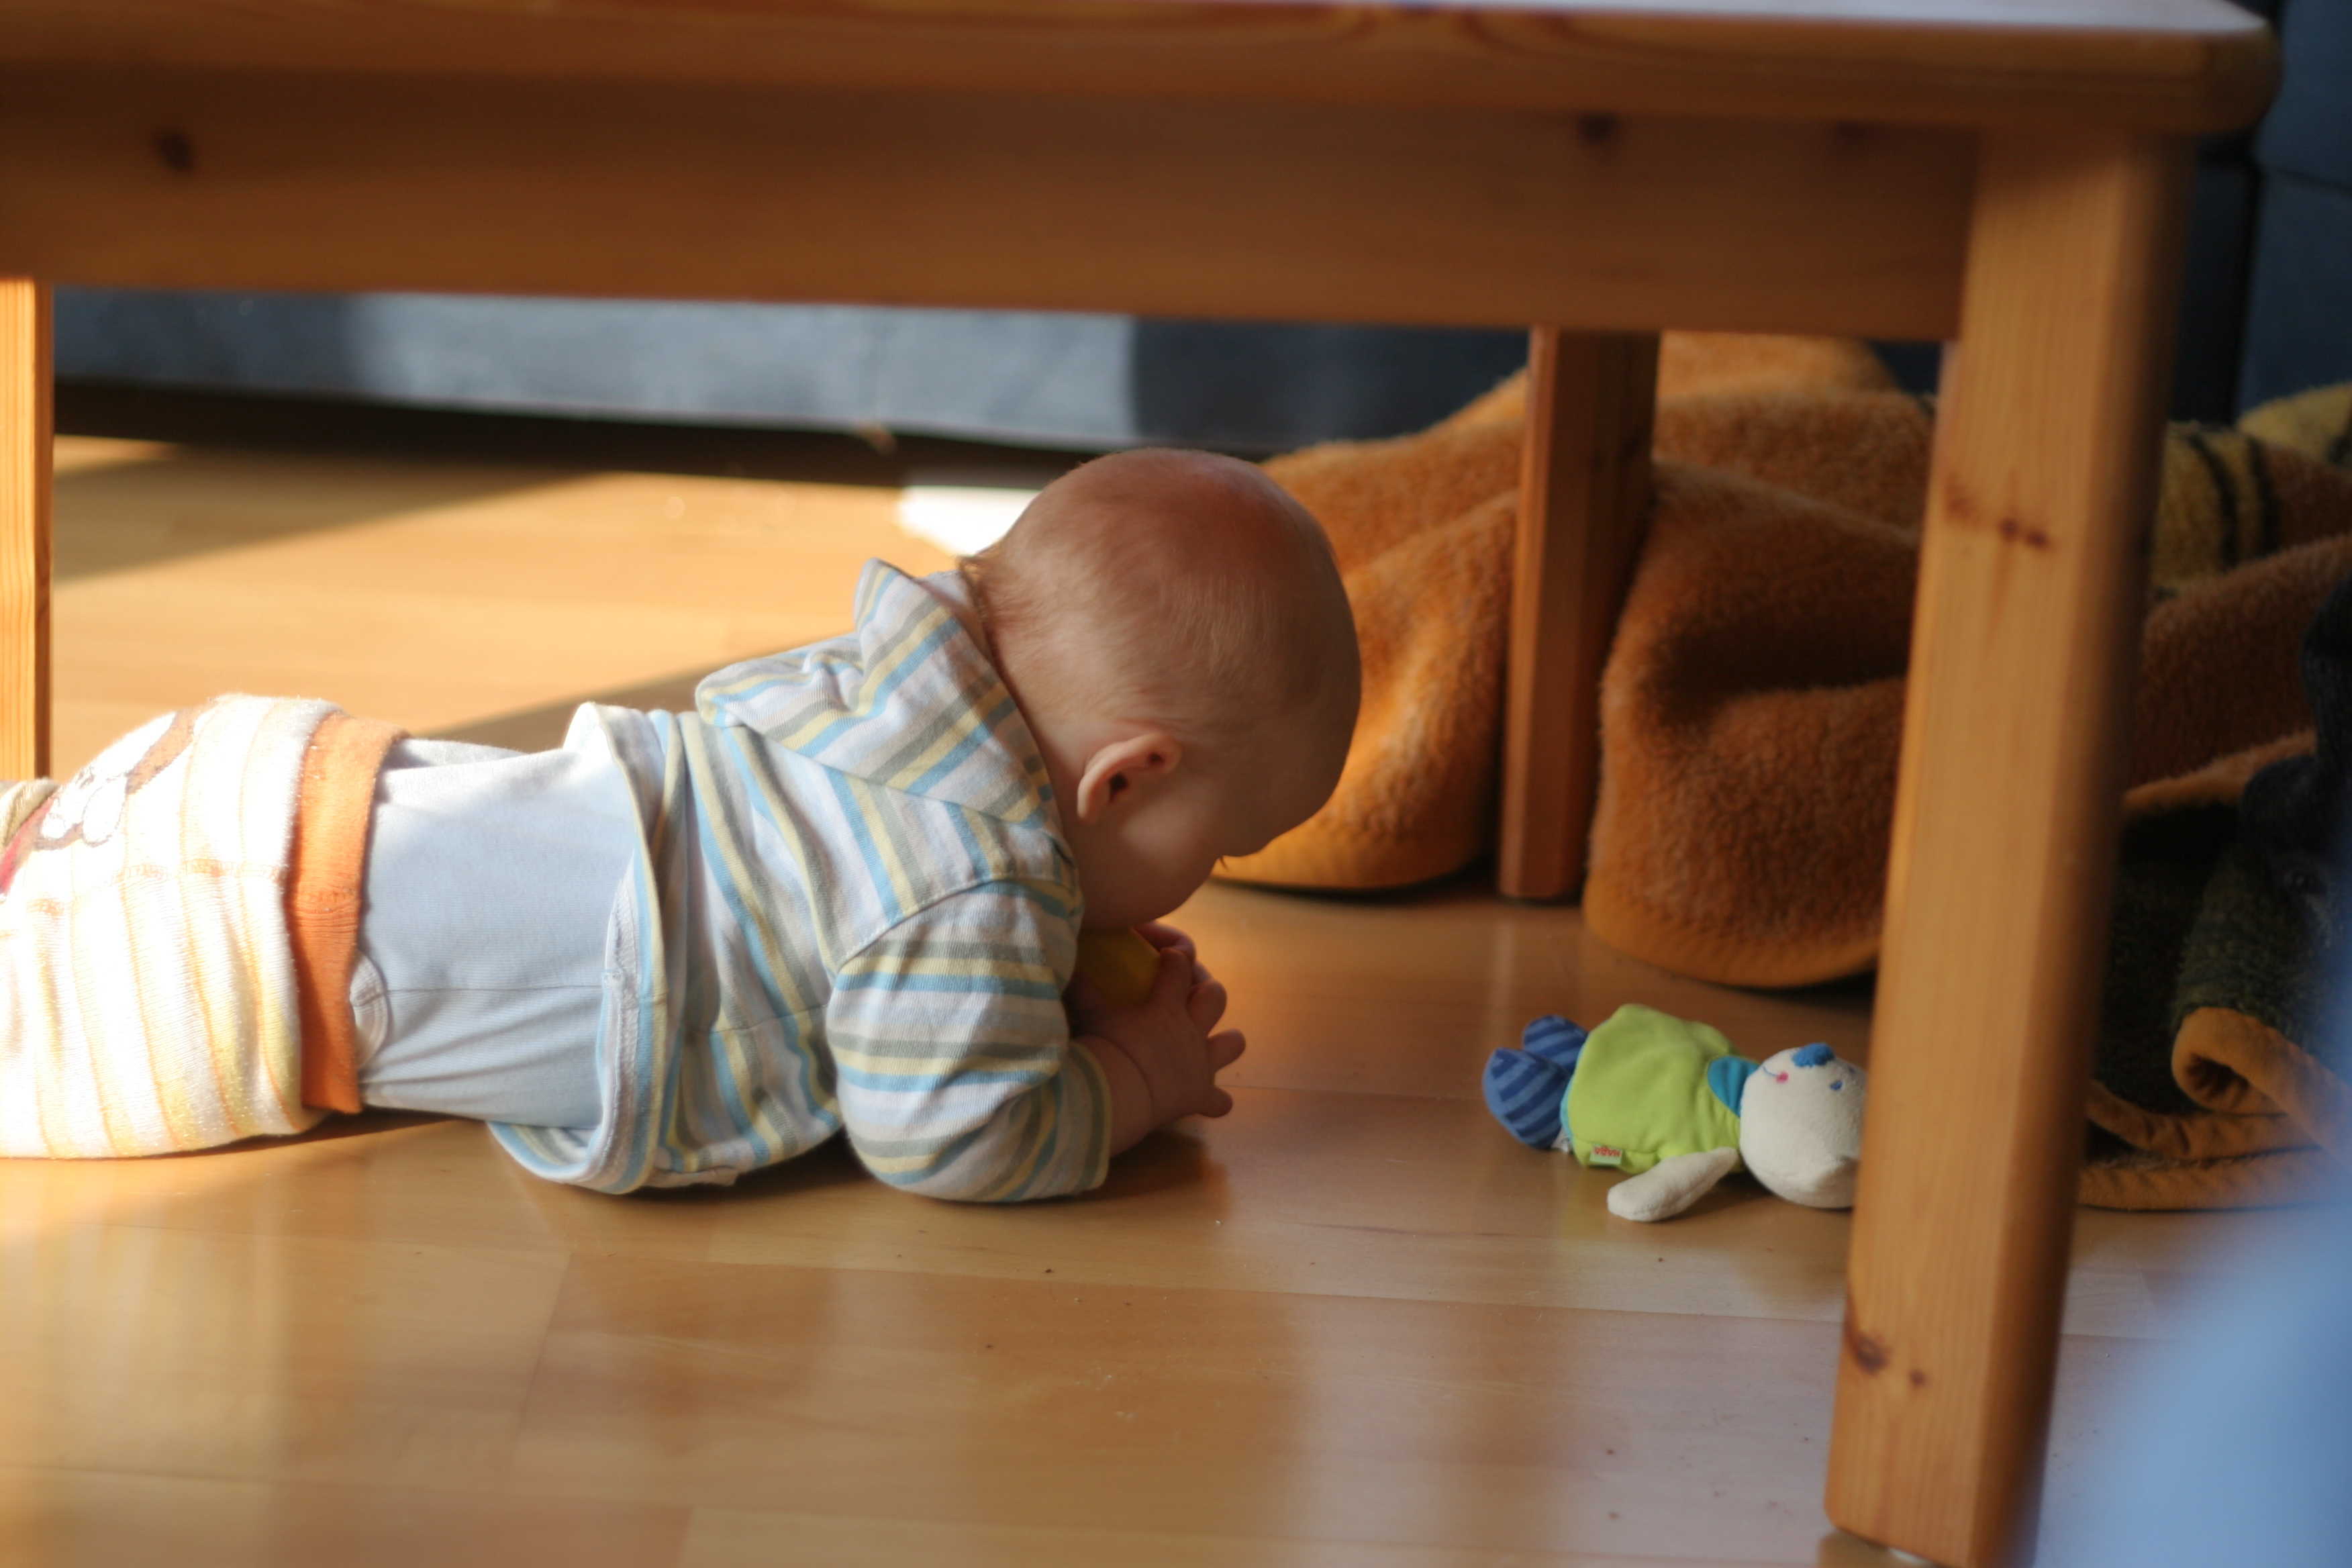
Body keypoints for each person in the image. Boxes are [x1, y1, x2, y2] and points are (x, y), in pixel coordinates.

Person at [0, 448, 1361, 1200]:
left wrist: (1046, 984)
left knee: (46, 868)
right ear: (1124, 780)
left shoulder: (880, 697)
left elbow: (853, 931)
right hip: (250, 957)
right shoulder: (968, 885)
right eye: (1220, 848)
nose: (1199, 884)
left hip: (273, 787)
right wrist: (1131, 1082)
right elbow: (952, 1129)